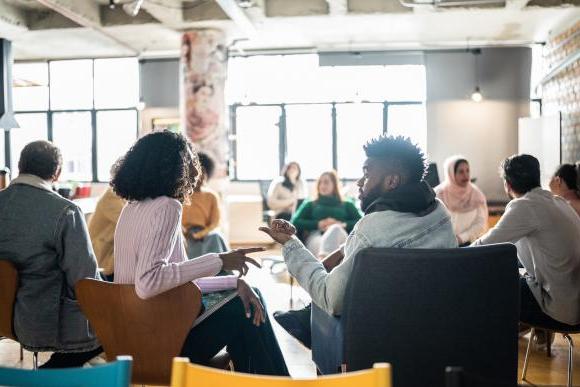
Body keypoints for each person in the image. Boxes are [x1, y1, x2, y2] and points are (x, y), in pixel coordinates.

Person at [111, 131, 288, 376]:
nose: (195, 170)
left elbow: (176, 282)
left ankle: (266, 379)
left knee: (246, 298)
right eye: (190, 160)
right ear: (176, 166)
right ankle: (278, 380)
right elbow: (149, 283)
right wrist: (219, 260)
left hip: (132, 337)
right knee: (246, 309)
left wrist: (234, 281)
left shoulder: (131, 208)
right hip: (159, 340)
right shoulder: (167, 207)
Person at [262, 135, 457, 348]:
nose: (360, 182)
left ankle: (307, 323)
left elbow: (330, 298)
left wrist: (291, 243)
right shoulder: (440, 212)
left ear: (392, 181)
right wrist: (344, 249)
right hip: (436, 331)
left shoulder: (371, 229)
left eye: (366, 173)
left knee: (323, 294)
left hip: (375, 339)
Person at [0, 141, 102, 368]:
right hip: (42, 321)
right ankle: (49, 375)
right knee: (113, 327)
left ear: (20, 166)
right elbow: (85, 280)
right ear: (57, 173)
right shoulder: (65, 211)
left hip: (6, 315)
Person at [472, 155, 580, 330]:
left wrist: (455, 257)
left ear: (508, 185)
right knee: (511, 266)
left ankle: (491, 344)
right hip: (575, 305)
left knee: (490, 279)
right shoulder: (559, 202)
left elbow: (483, 247)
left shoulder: (524, 206)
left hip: (562, 312)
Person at [291, 170, 362, 258]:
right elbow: (294, 222)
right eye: (320, 183)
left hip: (340, 237)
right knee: (323, 244)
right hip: (317, 236)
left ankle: (323, 265)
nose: (322, 185)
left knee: (335, 229)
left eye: (326, 182)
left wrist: (342, 224)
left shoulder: (347, 204)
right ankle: (329, 264)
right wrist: (318, 224)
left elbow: (361, 222)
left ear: (334, 185)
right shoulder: (311, 203)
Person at [182, 152, 228, 258]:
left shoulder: (211, 196)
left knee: (216, 237)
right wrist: (185, 233)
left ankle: (219, 271)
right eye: (197, 173)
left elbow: (215, 223)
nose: (200, 177)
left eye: (203, 173)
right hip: (184, 233)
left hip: (205, 233)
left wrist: (200, 234)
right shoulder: (182, 195)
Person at [435, 156, 488, 246]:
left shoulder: (476, 194)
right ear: (451, 173)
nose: (466, 175)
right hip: (442, 245)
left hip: (469, 244)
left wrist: (462, 238)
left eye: (468, 170)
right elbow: (434, 221)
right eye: (461, 171)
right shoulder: (439, 193)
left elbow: (481, 223)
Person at [88, 187, 126, 282]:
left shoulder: (121, 195)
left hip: (112, 253)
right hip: (104, 256)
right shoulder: (111, 196)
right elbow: (129, 221)